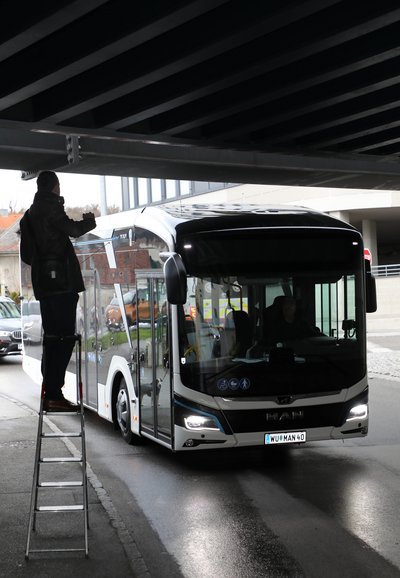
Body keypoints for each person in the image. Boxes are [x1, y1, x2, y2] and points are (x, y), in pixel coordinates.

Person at [19, 171, 96, 411]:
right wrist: (89, 222)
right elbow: (72, 230)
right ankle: (54, 392)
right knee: (65, 338)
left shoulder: (31, 213)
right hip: (60, 283)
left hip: (45, 284)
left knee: (52, 338)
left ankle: (50, 391)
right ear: (55, 187)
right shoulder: (50, 207)